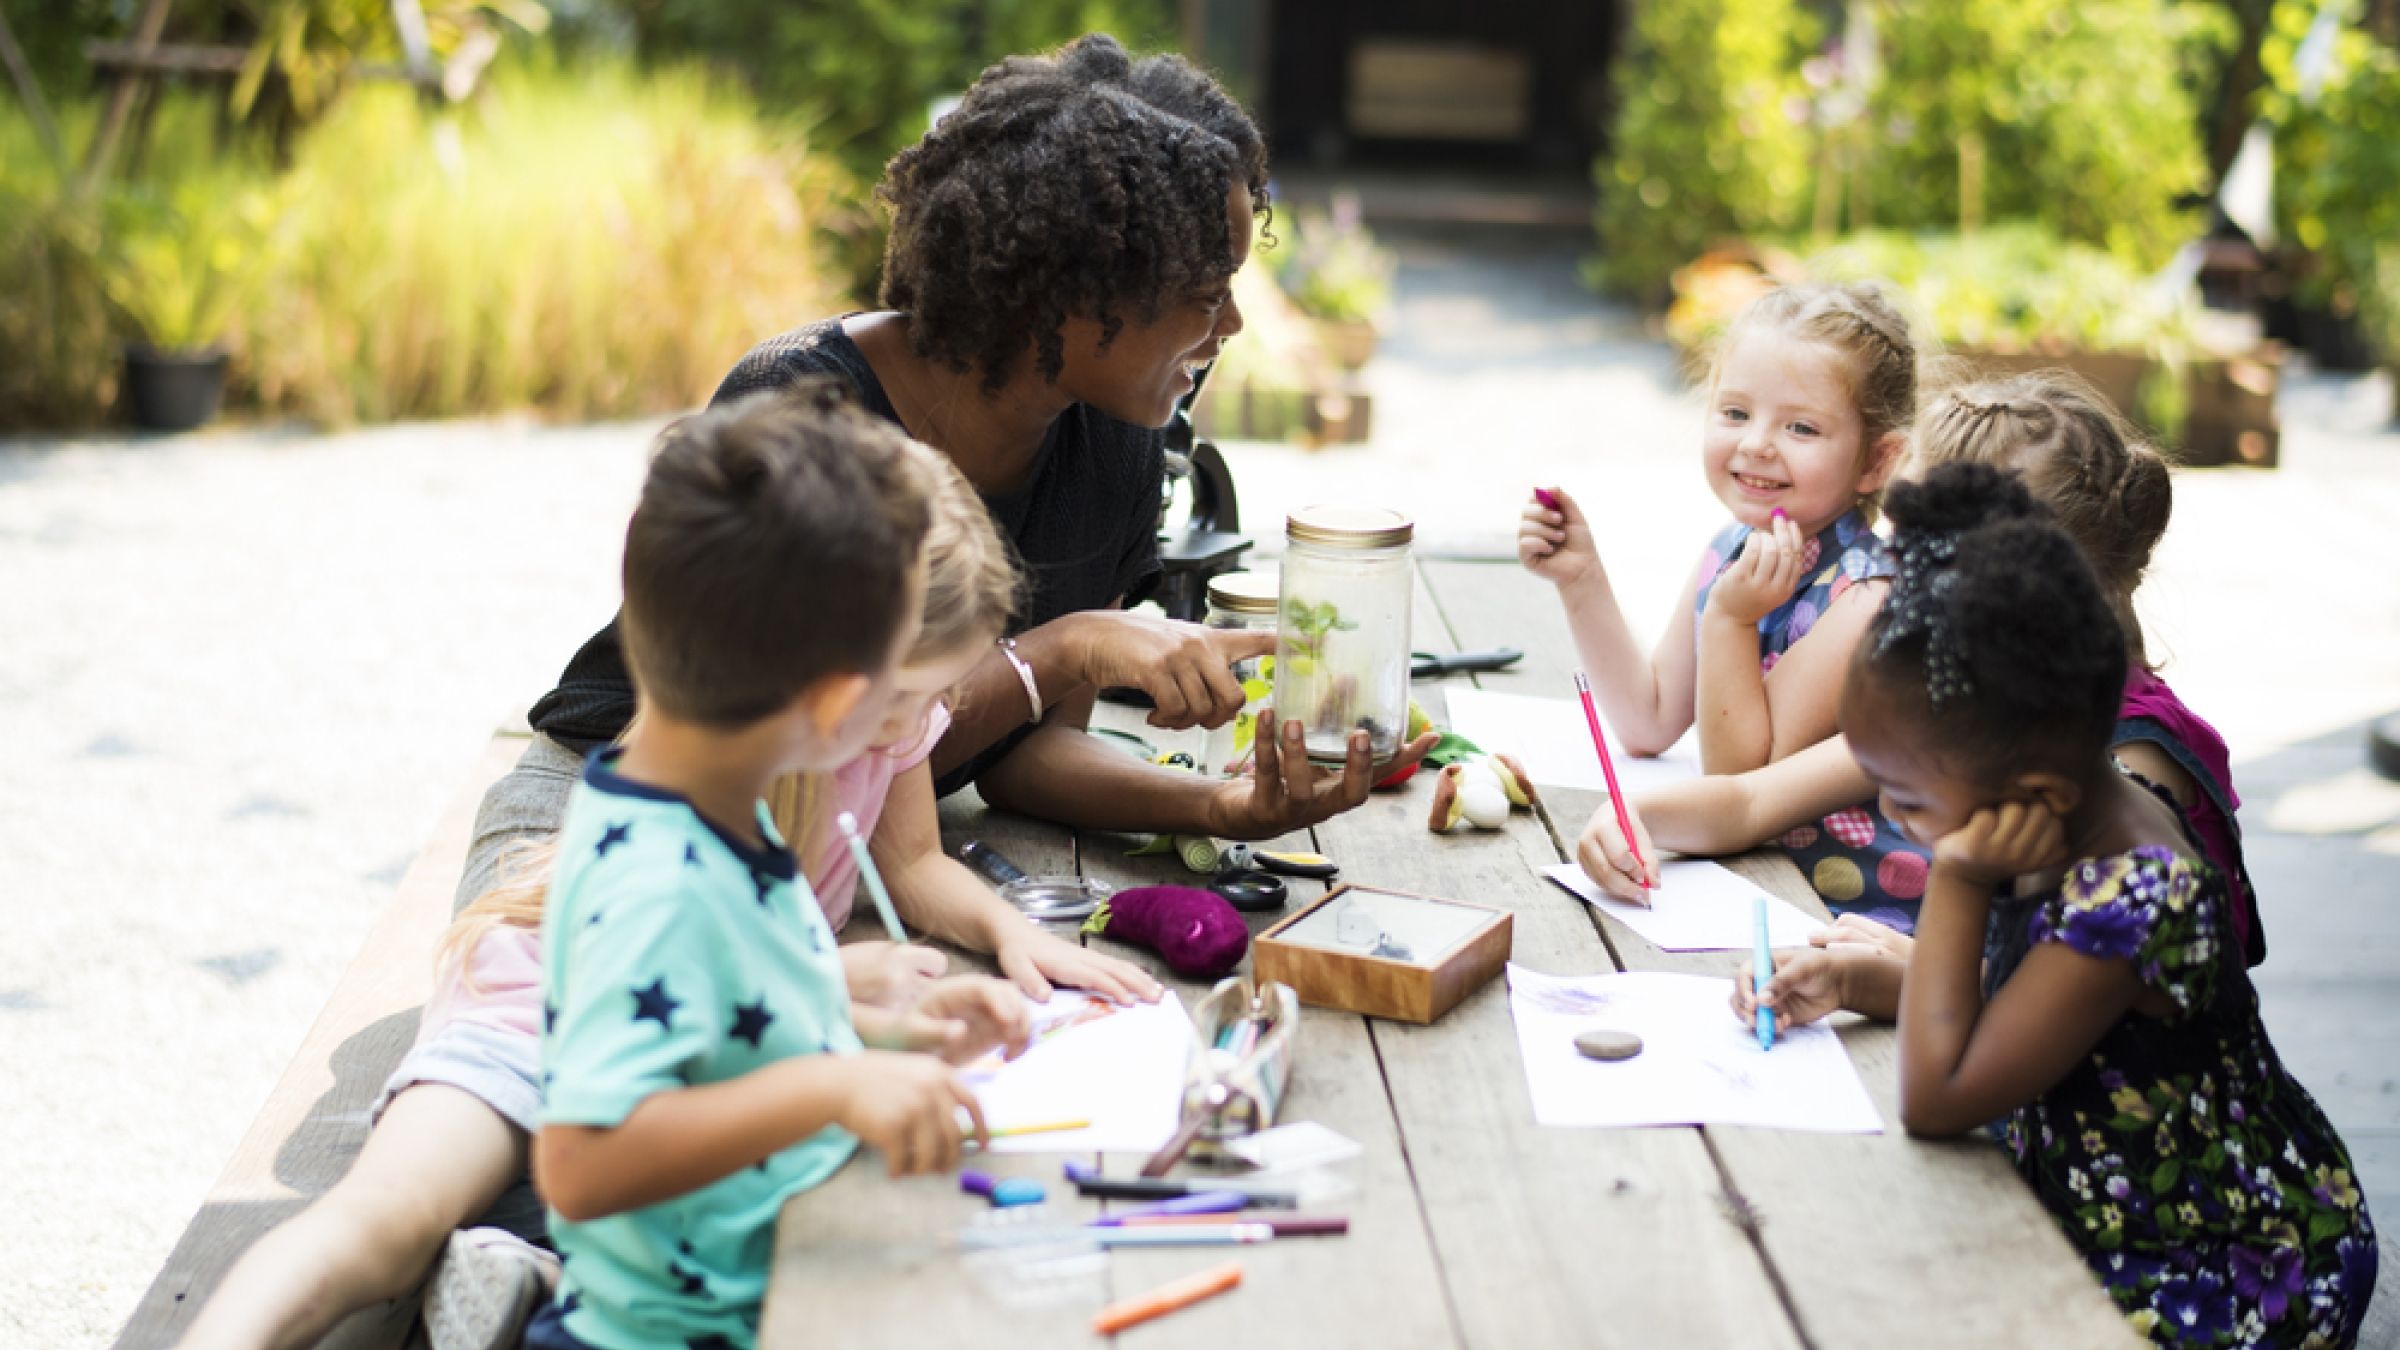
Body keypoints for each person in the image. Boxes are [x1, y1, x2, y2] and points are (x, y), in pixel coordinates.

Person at [177, 389, 1072, 1350]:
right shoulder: (661, 877)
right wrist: (834, 1091)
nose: (914, 728)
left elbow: (726, 1015)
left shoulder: (716, 813)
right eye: (905, 696)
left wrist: (882, 1037)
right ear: (831, 702)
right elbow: (580, 1163)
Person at [520, 32, 1432, 865]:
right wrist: (1070, 645)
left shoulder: (1117, 448)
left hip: (829, 863)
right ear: (1074, 291)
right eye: (1203, 290)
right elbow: (803, 751)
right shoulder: (807, 416)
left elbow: (1026, 752)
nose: (1230, 323)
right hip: (613, 820)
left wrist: (1221, 805)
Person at [1732, 463, 2376, 1347]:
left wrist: (1956, 879)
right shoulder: (2059, 809)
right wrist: (1861, 980)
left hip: (2220, 1262)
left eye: (1908, 799)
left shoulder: (2132, 900)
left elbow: (1939, 1096)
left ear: (2028, 788)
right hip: (2113, 1197)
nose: (1890, 818)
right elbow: (2018, 1001)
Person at [1576, 372, 2266, 967]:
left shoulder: (2133, 759)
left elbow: (2084, 986)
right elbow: (1754, 800)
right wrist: (1636, 816)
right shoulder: (1962, 692)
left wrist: (1912, 973)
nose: (1893, 589)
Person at [1520, 281, 1925, 922]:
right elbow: (1649, 720)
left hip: (1848, 916)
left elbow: (1737, 779)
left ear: (1876, 461)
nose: (1757, 443)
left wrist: (1731, 619)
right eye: (1735, 413)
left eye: (1801, 427)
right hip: (1756, 883)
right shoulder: (1733, 547)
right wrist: (1582, 581)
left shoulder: (1868, 599)